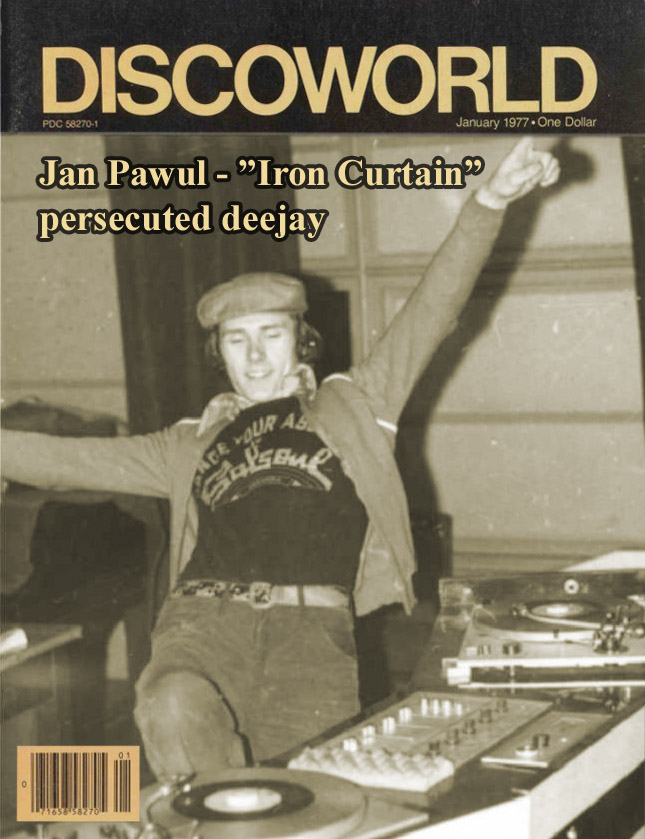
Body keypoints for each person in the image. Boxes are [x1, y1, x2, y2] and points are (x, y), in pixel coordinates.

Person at [2, 138, 559, 780]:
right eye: (236, 341)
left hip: (312, 633)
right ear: (220, 354)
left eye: (271, 335)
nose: (255, 356)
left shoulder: (357, 404)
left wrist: (488, 203)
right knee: (171, 704)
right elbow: (65, 459)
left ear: (302, 341)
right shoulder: (189, 442)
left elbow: (432, 310)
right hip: (203, 625)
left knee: (306, 795)